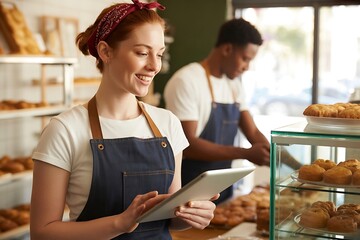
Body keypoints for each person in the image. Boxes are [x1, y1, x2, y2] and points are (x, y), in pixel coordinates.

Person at [30, 1, 218, 239]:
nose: (154, 66)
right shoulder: (65, 130)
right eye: (142, 53)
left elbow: (171, 219)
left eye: (159, 54)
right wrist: (119, 223)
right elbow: (41, 232)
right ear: (105, 51)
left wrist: (190, 215)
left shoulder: (167, 123)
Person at [164, 18, 270, 204]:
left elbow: (252, 131)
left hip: (223, 192)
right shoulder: (187, 80)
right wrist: (245, 153)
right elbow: (188, 145)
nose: (247, 67)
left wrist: (275, 154)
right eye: (245, 59)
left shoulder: (234, 84)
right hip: (190, 194)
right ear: (227, 49)